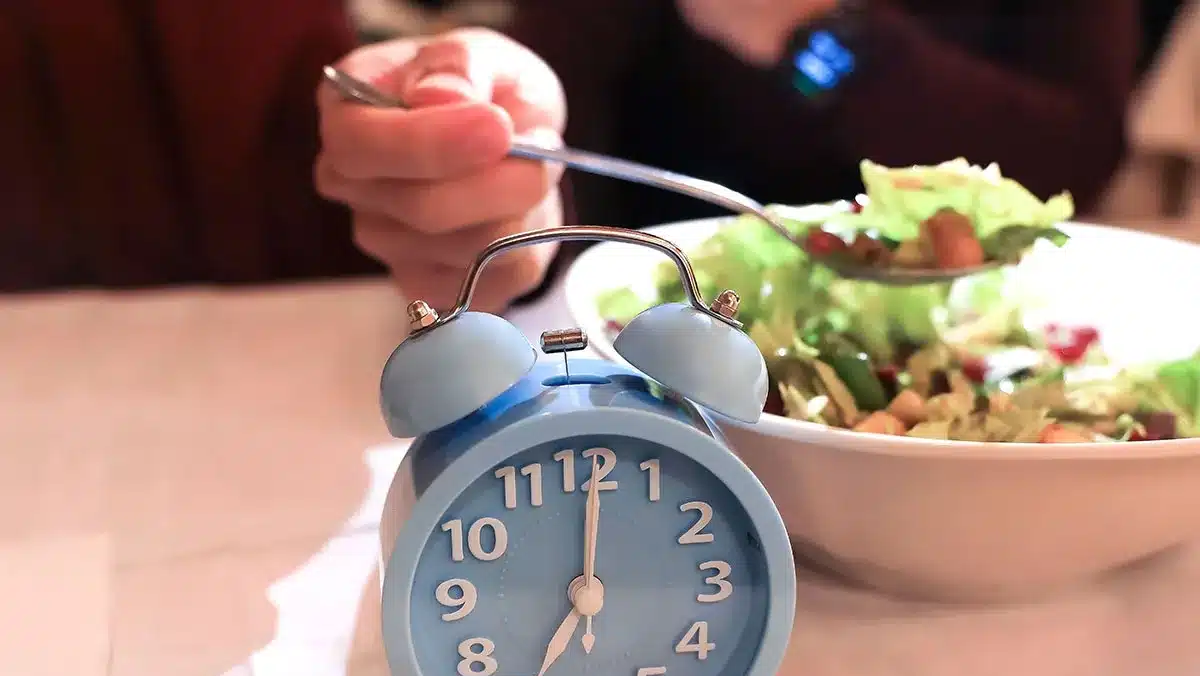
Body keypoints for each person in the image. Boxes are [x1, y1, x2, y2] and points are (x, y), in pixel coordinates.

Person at [4, 1, 1139, 311]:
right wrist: (492, 195)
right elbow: (553, 146)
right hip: (673, 423)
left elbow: (1075, 147)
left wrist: (817, 39)